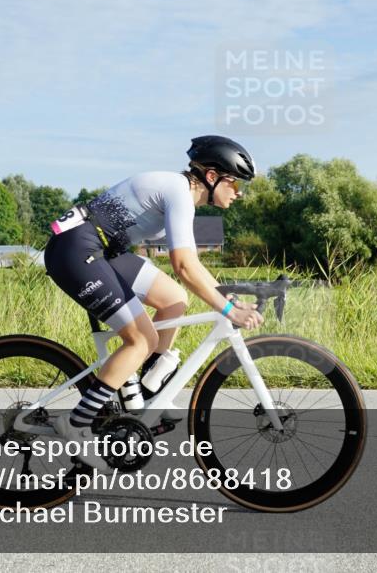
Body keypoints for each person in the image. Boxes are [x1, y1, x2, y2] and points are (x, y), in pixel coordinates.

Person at [43, 135, 264, 467]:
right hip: (77, 249)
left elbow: (191, 267)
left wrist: (227, 297)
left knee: (174, 299)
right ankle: (75, 424)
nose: (239, 192)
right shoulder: (178, 192)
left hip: (102, 250)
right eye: (235, 183)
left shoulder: (181, 197)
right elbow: (184, 266)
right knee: (142, 338)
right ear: (213, 176)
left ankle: (147, 388)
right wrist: (229, 310)